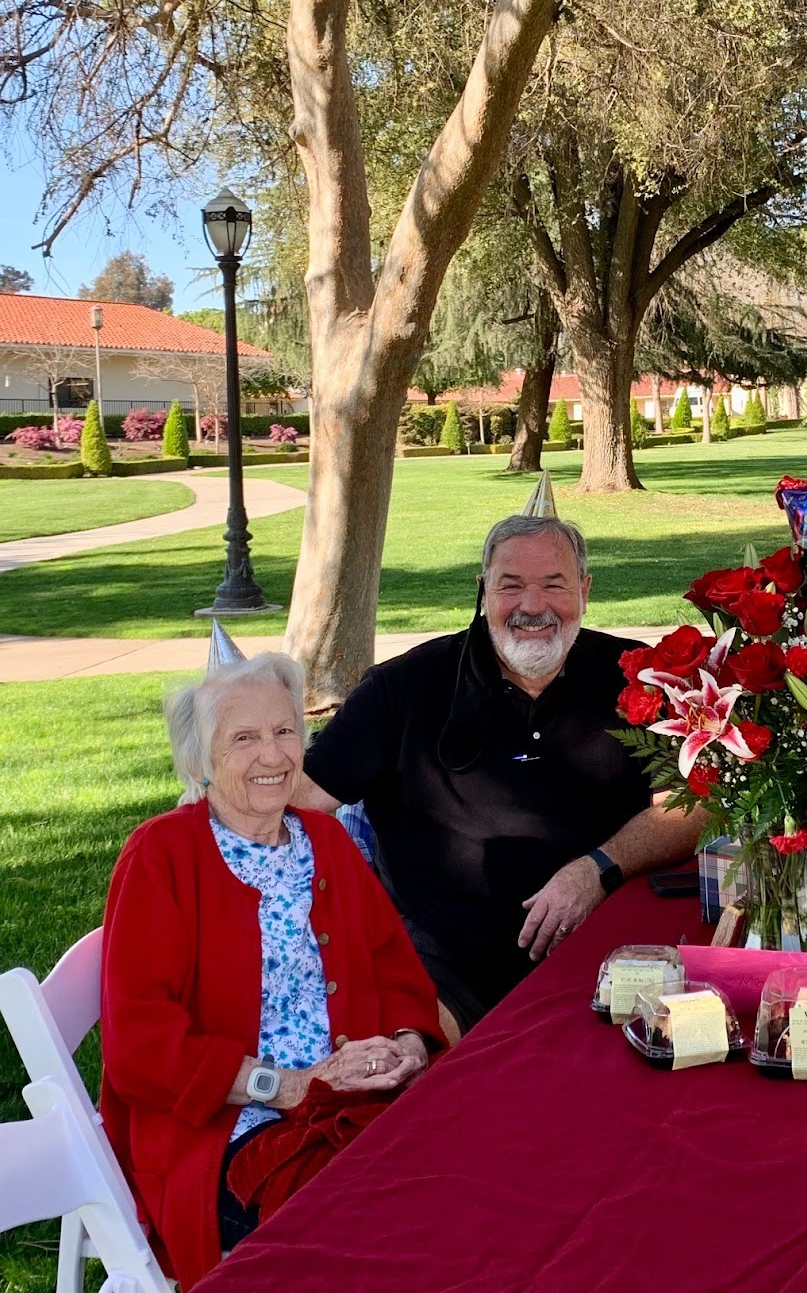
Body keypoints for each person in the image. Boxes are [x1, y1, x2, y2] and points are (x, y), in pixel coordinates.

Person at [100, 653, 444, 1290]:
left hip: (355, 1102)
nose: (273, 755)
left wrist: (407, 1046)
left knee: (467, 1177)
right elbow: (140, 1049)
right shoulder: (160, 857)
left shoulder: (326, 840)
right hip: (228, 1131)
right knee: (360, 1231)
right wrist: (286, 1086)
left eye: (285, 731)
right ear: (200, 760)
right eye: (243, 737)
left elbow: (399, 976)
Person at [298, 514, 701, 1032]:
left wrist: (597, 868)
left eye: (554, 585)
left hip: (614, 952)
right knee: (409, 1068)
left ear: (585, 590)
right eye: (511, 586)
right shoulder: (402, 688)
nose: (532, 607)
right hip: (445, 962)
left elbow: (697, 802)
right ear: (483, 589)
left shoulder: (638, 676)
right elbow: (297, 806)